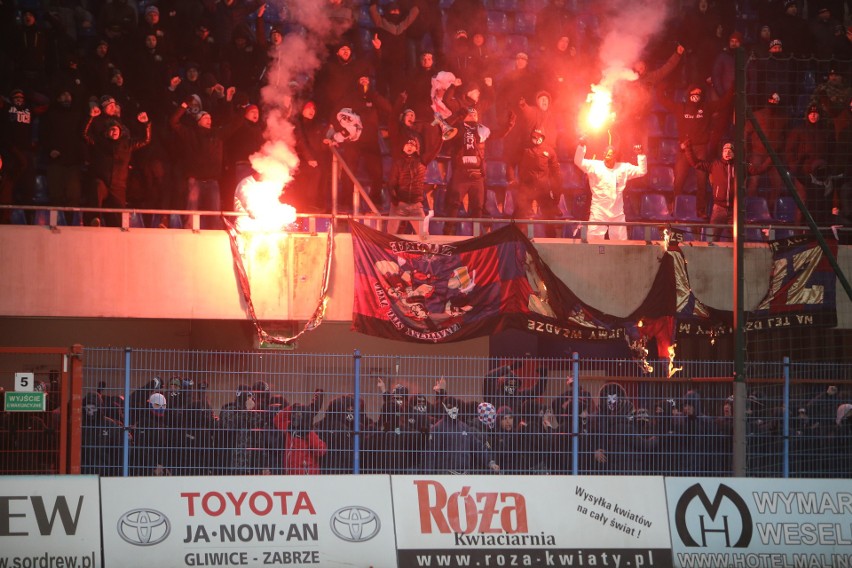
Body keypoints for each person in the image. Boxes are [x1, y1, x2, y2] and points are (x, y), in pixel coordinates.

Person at [683, 139, 771, 241]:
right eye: (725, 151)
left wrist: (772, 157)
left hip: (735, 209)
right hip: (718, 208)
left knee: (736, 240)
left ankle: (732, 257)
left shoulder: (741, 166)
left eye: (730, 151)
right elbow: (696, 163)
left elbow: (760, 169)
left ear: (734, 153)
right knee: (712, 239)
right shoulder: (715, 165)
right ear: (722, 153)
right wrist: (688, 149)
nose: (727, 153)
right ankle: (712, 257)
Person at [83, 105, 151, 226]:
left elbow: (145, 140)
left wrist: (146, 124)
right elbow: (85, 135)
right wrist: (90, 117)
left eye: (116, 129)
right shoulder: (100, 143)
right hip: (103, 182)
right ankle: (95, 219)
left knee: (118, 220)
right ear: (106, 133)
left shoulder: (127, 144)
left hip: (118, 186)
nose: (114, 131)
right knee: (97, 186)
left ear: (120, 131)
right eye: (111, 129)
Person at [574, 139, 647, 240]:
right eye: (605, 153)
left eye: (609, 153)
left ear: (615, 156)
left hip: (617, 212)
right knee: (593, 242)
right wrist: (581, 145)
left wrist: (641, 155)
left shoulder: (623, 168)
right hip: (598, 211)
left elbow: (642, 171)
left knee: (620, 244)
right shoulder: (595, 166)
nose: (606, 155)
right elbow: (578, 161)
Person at [386, 132, 443, 235]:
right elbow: (391, 183)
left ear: (416, 148)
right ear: (403, 147)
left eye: (413, 145)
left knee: (424, 237)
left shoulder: (422, 161)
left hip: (416, 206)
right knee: (391, 236)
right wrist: (395, 200)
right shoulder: (398, 163)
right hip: (399, 205)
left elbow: (434, 150)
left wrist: (441, 137)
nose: (410, 146)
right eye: (407, 144)